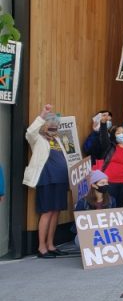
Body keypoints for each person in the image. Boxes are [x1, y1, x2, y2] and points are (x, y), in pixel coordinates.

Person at [23, 105, 70, 258]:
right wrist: (42, 114)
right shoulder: (37, 138)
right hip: (46, 179)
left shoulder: (57, 139)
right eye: (50, 123)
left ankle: (51, 244)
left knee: (56, 212)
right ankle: (41, 247)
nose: (53, 126)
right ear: (44, 124)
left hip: (60, 180)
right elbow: (30, 132)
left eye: (56, 124)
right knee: (47, 212)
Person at [97, 121, 123, 208]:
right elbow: (104, 138)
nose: (121, 134)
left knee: (121, 206)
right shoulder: (110, 147)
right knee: (108, 205)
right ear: (114, 135)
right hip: (109, 182)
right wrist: (103, 124)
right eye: (118, 133)